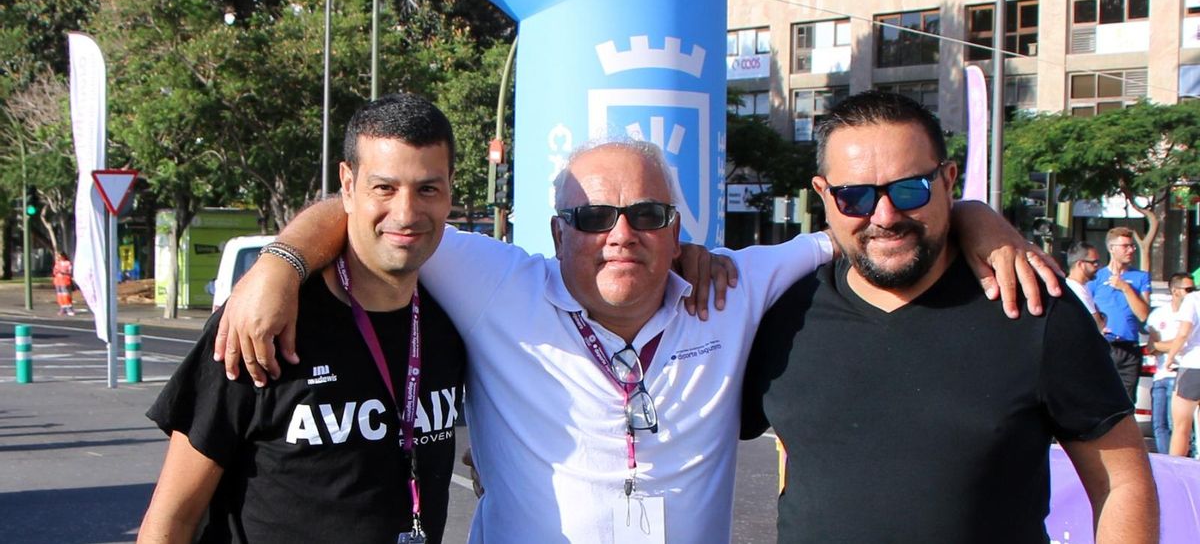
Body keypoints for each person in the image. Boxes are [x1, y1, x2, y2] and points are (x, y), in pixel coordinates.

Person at [218, 143, 1059, 541]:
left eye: (648, 216)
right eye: (591, 217)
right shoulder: (496, 282)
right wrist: (281, 263)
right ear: (556, 231)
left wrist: (980, 218)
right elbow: (382, 210)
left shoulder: (732, 285)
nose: (619, 236)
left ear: (678, 226)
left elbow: (858, 227)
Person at [742, 92, 1157, 542]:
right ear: (824, 194)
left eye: (909, 189)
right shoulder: (779, 312)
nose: (885, 215)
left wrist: (979, 217)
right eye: (855, 196)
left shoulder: (1032, 306)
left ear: (948, 181)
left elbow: (1122, 483)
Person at [138, 94, 468, 543]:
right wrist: (280, 264)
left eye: (427, 188)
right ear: (348, 187)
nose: (406, 213)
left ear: (450, 190)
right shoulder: (262, 325)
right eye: (384, 188)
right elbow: (171, 520)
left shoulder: (453, 321)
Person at [1088, 226, 1152, 403]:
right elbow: (1085, 309)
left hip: (1129, 348)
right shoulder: (1096, 277)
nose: (1130, 250)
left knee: (1126, 403)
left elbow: (1144, 314)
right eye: (1125, 246)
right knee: (1099, 399)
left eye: (1132, 246)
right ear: (1111, 248)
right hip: (1104, 346)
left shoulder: (1141, 277)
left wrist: (1125, 287)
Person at [1147, 273, 1193, 453]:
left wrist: (1166, 345)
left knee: (1180, 426)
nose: (1192, 293)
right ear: (1174, 291)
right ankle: (1165, 465)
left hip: (1182, 374)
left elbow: (1187, 341)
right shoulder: (1159, 314)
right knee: (1159, 425)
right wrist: (1176, 344)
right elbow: (1152, 346)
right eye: (1188, 289)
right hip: (1161, 374)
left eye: (1194, 289)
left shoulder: (1192, 313)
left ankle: (1180, 465)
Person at [1165, 275, 1200, 458]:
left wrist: (1170, 357)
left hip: (1193, 364)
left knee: (1181, 426)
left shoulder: (1193, 300)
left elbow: (1183, 333)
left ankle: (1175, 467)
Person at [1065, 241, 1104, 331]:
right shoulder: (1077, 290)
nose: (1097, 266)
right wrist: (1102, 318)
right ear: (1080, 264)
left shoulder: (1080, 287)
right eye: (1094, 262)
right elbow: (1098, 325)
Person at [52, 251, 75, 316]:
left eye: (60, 256)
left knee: (66, 294)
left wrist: (63, 272)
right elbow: (54, 271)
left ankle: (69, 308)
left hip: (65, 280)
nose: (59, 257)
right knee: (60, 295)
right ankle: (62, 307)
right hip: (58, 281)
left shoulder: (67, 263)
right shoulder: (57, 263)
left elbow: (70, 272)